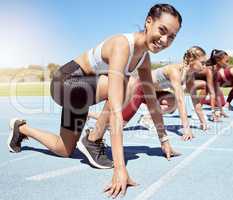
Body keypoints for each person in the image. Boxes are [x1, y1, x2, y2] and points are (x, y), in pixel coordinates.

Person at [7, 4, 182, 198]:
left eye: (172, 37)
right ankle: (93, 139)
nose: (165, 40)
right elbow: (115, 109)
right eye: (162, 30)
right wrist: (120, 168)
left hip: (80, 94)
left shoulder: (144, 58)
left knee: (64, 149)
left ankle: (21, 128)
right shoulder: (123, 45)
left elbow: (150, 99)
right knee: (125, 84)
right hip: (64, 83)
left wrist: (164, 140)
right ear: (149, 22)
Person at [88, 46, 207, 141]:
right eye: (202, 62)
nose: (205, 66)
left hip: (153, 93)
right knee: (116, 123)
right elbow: (182, 100)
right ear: (192, 60)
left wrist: (203, 122)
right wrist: (186, 129)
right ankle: (89, 114)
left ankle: (147, 117)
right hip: (139, 88)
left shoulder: (189, 76)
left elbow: (195, 100)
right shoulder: (174, 71)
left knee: (172, 102)